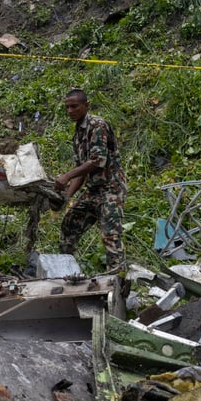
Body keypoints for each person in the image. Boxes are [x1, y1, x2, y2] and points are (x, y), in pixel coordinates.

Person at [54, 88, 128, 273]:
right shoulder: (78, 132)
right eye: (67, 107)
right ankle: (66, 271)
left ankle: (117, 281)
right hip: (94, 189)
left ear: (86, 106)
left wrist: (66, 176)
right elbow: (82, 171)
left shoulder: (97, 125)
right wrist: (66, 197)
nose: (70, 111)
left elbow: (97, 161)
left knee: (110, 235)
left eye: (74, 106)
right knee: (70, 224)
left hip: (111, 188)